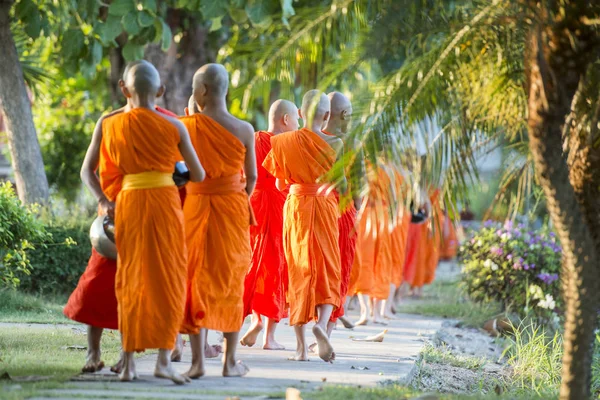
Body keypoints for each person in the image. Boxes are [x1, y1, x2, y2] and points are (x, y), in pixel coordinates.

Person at [84, 60, 205, 383]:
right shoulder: (174, 126)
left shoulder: (108, 124)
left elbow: (88, 171)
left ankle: (129, 363)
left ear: (124, 89)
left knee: (130, 279)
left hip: (129, 204)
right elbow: (199, 174)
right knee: (168, 278)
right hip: (165, 204)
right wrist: (172, 174)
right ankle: (163, 361)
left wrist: (103, 200)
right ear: (161, 91)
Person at [65, 61, 181, 374]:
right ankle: (93, 351)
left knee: (148, 285)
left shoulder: (170, 122)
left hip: (155, 215)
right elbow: (87, 170)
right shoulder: (111, 122)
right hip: (117, 216)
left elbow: (180, 176)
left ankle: (126, 357)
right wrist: (103, 200)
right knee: (99, 282)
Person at [179, 63, 257, 378]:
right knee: (230, 280)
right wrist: (235, 196)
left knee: (195, 279)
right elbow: (251, 177)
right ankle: (230, 362)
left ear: (202, 92)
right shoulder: (244, 129)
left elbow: (180, 173)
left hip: (196, 206)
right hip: (232, 208)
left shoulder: (186, 125)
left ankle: (197, 363)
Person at [263, 89, 345, 362]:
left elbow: (278, 183)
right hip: (323, 205)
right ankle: (320, 326)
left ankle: (300, 350)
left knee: (299, 270)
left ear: (299, 113)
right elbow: (341, 185)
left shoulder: (283, 142)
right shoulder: (336, 144)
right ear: (327, 115)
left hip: (296, 206)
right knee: (328, 267)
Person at [240, 99, 298, 350]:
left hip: (254, 203)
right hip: (278, 205)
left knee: (255, 261)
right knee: (277, 265)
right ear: (285, 120)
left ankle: (255, 320)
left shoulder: (254, 138)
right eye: (296, 119)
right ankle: (269, 338)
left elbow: (245, 173)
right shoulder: (287, 143)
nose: (298, 124)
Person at [322, 92, 362, 333]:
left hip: (311, 210)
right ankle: (327, 329)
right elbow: (358, 185)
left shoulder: (309, 137)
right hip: (341, 211)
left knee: (317, 267)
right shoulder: (351, 143)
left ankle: (309, 328)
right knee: (340, 267)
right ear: (345, 114)